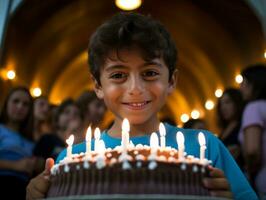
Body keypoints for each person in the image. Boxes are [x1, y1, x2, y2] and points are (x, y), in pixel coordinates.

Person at [26, 12, 258, 200]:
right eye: (118, 75)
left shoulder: (207, 148)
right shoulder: (73, 159)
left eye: (149, 73)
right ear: (98, 86)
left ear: (171, 81)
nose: (135, 88)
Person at [0, 86, 37, 200]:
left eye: (25, 104)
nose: (20, 106)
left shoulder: (31, 140)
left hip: (25, 189)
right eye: (16, 101)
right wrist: (16, 165)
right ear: (6, 104)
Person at [238, 64, 266, 198]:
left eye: (244, 82)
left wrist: (248, 170)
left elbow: (252, 151)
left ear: (255, 84)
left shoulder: (253, 108)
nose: (241, 87)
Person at [216, 88, 244, 170]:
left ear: (237, 103)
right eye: (221, 104)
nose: (223, 108)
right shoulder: (222, 132)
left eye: (227, 102)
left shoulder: (242, 126)